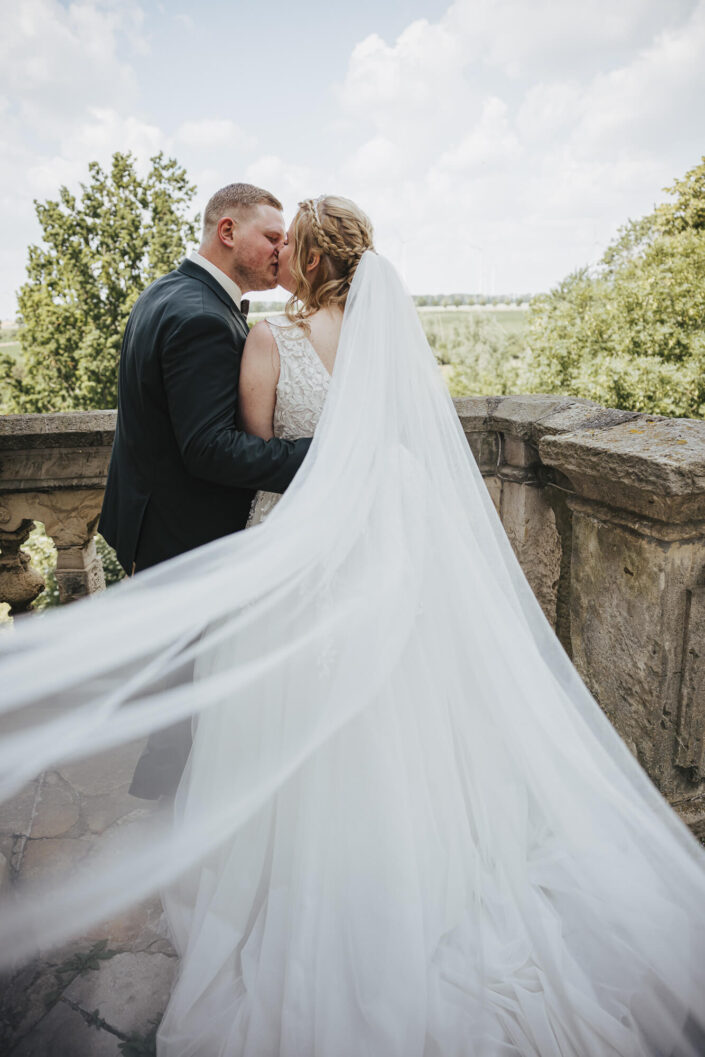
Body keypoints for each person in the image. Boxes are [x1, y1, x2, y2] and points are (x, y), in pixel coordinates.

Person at [2, 197, 705, 1057]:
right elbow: (395, 439)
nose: (276, 254)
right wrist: (354, 458)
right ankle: (413, 865)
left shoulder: (268, 338)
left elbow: (249, 452)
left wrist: (328, 469)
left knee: (285, 701)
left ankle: (291, 869)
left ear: (306, 258)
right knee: (391, 701)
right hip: (383, 543)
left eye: (286, 243)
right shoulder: (381, 341)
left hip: (298, 544)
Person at [98, 182, 311, 799]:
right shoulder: (201, 317)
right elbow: (209, 447)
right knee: (193, 680)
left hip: (153, 521)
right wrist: (321, 453)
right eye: (272, 237)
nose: (281, 251)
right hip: (186, 532)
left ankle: (169, 792)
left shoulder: (168, 291)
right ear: (227, 232)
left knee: (180, 677)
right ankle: (179, 806)